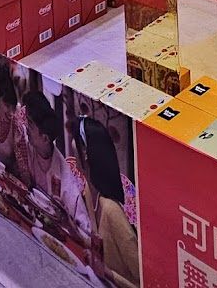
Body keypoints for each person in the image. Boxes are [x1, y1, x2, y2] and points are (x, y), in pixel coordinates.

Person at [73, 116, 140, 288]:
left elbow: (142, 280)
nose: (72, 145)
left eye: (77, 141)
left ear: (86, 153)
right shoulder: (89, 191)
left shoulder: (111, 210)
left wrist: (109, 273)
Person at [17, 91, 91, 238]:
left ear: (44, 138)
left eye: (30, 126)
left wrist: (66, 222)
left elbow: (86, 231)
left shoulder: (65, 180)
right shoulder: (26, 146)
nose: (26, 129)